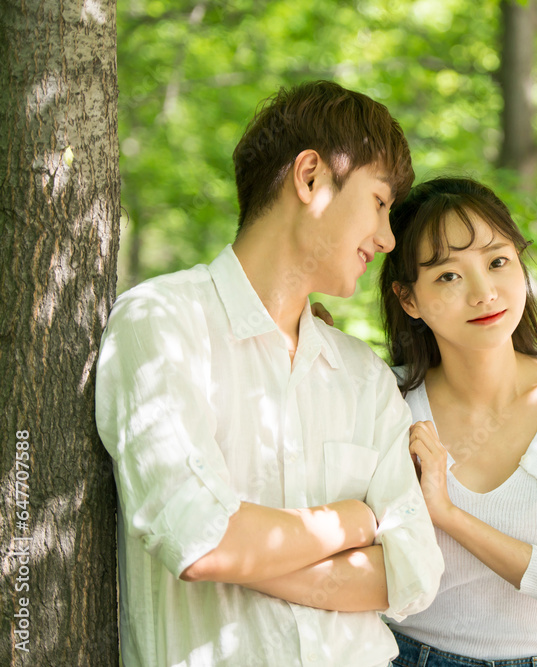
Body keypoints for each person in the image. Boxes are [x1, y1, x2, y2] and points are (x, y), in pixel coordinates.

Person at [95, 80, 444, 667]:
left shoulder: (361, 376)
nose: (387, 239)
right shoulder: (161, 324)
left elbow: (414, 573)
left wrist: (253, 553)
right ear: (311, 178)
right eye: (380, 202)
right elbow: (202, 539)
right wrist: (355, 519)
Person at [378, 178, 537, 667]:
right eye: (448, 275)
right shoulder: (386, 400)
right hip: (411, 657)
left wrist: (447, 513)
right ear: (409, 299)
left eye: (497, 261)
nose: (484, 293)